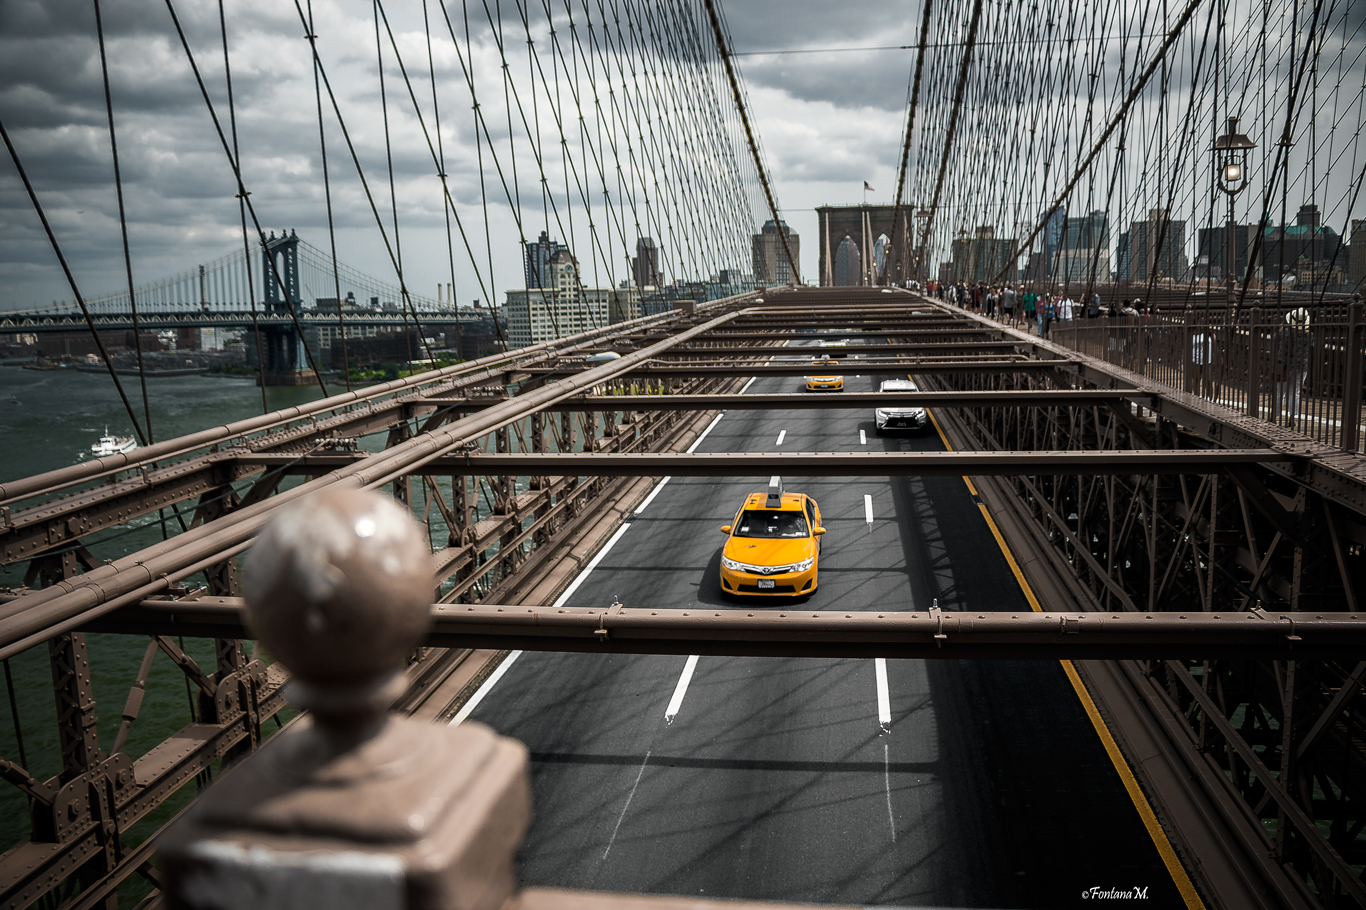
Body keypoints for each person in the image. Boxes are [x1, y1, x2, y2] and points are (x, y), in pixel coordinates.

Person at [1273, 307, 1312, 427]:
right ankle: (1292, 418)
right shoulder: (1308, 335)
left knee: (1280, 390)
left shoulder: (1284, 332)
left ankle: (1275, 417)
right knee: (1295, 391)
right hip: (1301, 366)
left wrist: (1279, 329)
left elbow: (1275, 340)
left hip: (1284, 365)